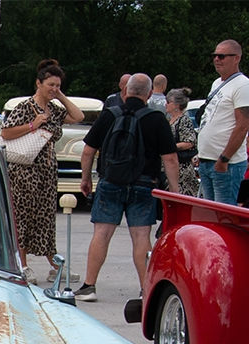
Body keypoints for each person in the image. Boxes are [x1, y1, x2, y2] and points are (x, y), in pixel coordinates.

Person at [74, 73, 178, 301]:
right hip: (144, 184)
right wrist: (174, 191)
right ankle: (146, 288)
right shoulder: (156, 119)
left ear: (126, 91)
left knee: (101, 233)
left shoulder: (109, 115)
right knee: (141, 236)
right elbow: (170, 159)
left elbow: (88, 151)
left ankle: (89, 286)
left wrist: (86, 179)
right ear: (149, 94)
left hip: (110, 181)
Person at [0, 59, 84, 284]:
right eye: (51, 85)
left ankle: (54, 264)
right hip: (25, 171)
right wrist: (32, 125)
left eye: (57, 85)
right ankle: (22, 264)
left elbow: (78, 117)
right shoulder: (26, 107)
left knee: (46, 218)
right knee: (23, 217)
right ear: (38, 83)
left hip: (46, 172)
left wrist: (61, 96)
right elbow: (6, 133)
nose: (54, 89)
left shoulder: (54, 110)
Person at [198, 39, 249, 204]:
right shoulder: (217, 83)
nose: (217, 59)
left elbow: (243, 125)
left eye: (222, 56)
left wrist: (224, 159)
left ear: (236, 58)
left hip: (226, 164)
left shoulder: (243, 85)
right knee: (210, 213)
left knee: (222, 215)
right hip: (207, 160)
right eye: (215, 56)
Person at [166, 88, 200, 196]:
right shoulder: (170, 119)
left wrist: (171, 147)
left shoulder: (184, 120)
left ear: (176, 105)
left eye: (168, 102)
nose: (165, 105)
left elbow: (190, 142)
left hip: (182, 168)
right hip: (171, 166)